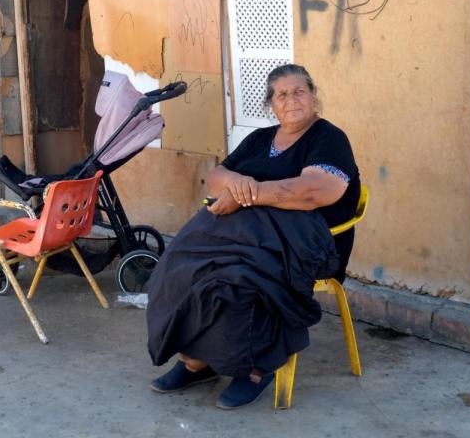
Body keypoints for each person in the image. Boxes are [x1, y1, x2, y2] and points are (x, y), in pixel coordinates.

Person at [147, 64, 361, 410]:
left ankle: (255, 370)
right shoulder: (261, 138)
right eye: (281, 95)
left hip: (305, 241)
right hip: (247, 231)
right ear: (272, 105)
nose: (291, 100)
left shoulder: (328, 138)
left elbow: (317, 191)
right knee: (179, 264)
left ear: (314, 97)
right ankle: (196, 361)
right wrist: (236, 185)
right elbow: (217, 175)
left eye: (299, 91)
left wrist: (249, 193)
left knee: (240, 277)